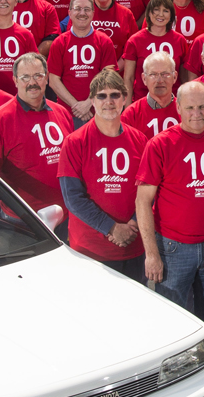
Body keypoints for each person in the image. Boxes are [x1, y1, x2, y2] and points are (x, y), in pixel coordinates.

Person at [135, 79, 204, 352]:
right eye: (190, 108)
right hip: (173, 249)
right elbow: (143, 200)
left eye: (202, 107)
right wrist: (151, 252)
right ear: (178, 108)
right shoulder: (160, 145)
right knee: (172, 326)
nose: (196, 113)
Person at [56, 71, 151, 279]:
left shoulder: (140, 140)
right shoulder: (74, 142)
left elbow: (148, 192)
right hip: (90, 250)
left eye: (115, 95)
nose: (109, 101)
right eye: (101, 96)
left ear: (125, 99)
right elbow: (72, 199)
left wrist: (132, 226)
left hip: (133, 247)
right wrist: (111, 229)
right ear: (91, 100)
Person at [0, 51, 74, 209]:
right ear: (15, 80)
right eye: (25, 77)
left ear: (46, 77)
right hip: (24, 218)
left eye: (38, 75)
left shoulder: (62, 113)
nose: (32, 82)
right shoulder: (0, 120)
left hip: (66, 212)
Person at [120, 0, 190, 97]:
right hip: (141, 100)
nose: (160, 14)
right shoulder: (135, 41)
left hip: (172, 102)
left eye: (166, 11)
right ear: (148, 13)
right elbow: (128, 78)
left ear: (171, 15)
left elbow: (184, 79)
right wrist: (128, 108)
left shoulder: (180, 40)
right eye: (156, 9)